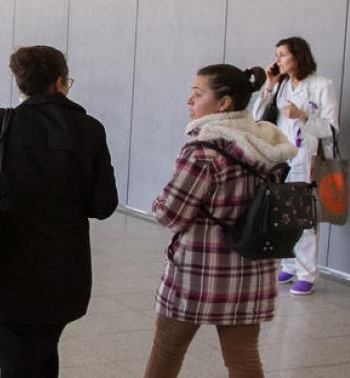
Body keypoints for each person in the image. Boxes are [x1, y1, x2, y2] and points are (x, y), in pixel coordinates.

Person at [0, 46, 118, 378]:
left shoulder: (1, 123)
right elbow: (103, 205)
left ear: (21, 82)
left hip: (2, 263)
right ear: (60, 82)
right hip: (63, 270)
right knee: (42, 353)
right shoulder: (89, 129)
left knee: (16, 360)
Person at [143, 64, 297, 378]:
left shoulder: (204, 152)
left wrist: (157, 202)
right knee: (243, 360)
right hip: (251, 270)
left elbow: (170, 213)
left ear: (224, 103)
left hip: (199, 272)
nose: (189, 101)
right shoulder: (264, 145)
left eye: (197, 94)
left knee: (167, 351)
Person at [252, 36, 338, 295]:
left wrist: (303, 116)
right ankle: (288, 263)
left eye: (282, 55)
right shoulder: (281, 86)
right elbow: (258, 117)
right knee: (282, 213)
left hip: (307, 158)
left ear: (297, 56)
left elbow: (332, 129)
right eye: (276, 54)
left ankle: (307, 272)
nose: (277, 60)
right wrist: (269, 85)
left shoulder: (322, 85)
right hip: (281, 156)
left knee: (304, 216)